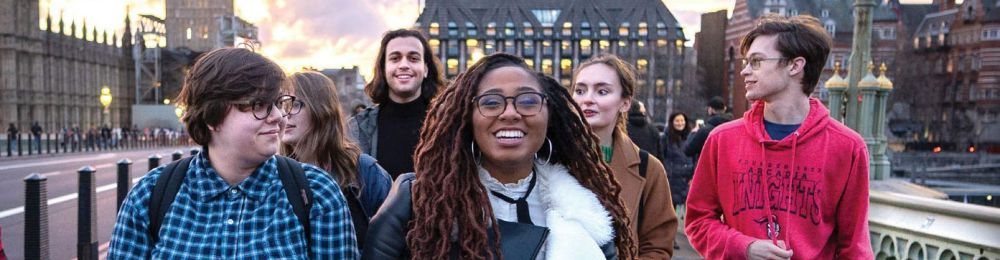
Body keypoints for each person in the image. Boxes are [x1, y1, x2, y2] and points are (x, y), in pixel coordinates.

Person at [364, 53, 637, 259]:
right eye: (491, 102)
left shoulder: (589, 210)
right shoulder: (417, 201)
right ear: (466, 118)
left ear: (549, 116)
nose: (510, 113)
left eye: (528, 101)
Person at [107, 48, 358, 259]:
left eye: (278, 104)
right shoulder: (150, 195)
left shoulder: (316, 193)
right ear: (212, 117)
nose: (278, 117)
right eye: (259, 105)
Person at [685, 14, 873, 259]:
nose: (744, 71)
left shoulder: (848, 148)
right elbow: (698, 221)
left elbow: (855, 247)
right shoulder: (722, 140)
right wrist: (744, 247)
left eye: (756, 62)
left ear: (795, 66)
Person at [571, 53, 678, 258]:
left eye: (602, 91)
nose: (588, 99)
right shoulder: (547, 159)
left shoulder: (649, 168)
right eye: (580, 90)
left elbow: (658, 247)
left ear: (625, 103)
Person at [281, 71, 392, 248]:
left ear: (321, 108)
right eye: (282, 104)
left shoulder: (364, 171)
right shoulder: (274, 173)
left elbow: (395, 241)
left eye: (294, 104)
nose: (285, 114)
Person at [348, 29, 446, 179]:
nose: (404, 65)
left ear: (425, 69)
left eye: (413, 58)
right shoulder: (358, 129)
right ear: (383, 68)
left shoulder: (447, 124)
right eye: (395, 58)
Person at [684, 96, 730, 166]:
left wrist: (693, 133)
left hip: (708, 169)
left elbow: (688, 150)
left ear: (710, 109)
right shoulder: (733, 127)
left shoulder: (705, 131)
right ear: (725, 108)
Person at [662, 112, 693, 209]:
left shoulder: (691, 137)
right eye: (677, 121)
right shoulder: (665, 138)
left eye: (682, 120)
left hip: (687, 180)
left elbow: (695, 157)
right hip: (671, 179)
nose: (680, 123)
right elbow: (661, 156)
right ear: (672, 122)